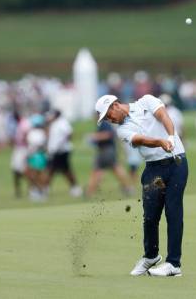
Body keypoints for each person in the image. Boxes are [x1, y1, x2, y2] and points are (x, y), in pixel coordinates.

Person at [95, 93, 187, 278]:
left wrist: (170, 137)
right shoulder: (121, 130)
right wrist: (160, 142)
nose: (109, 120)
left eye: (108, 115)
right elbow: (140, 140)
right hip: (153, 169)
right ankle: (151, 256)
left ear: (115, 105)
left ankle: (173, 264)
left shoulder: (146, 101)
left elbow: (163, 116)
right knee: (150, 216)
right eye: (105, 118)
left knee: (173, 211)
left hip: (176, 163)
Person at [86, 119, 133, 197]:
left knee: (98, 170)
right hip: (107, 150)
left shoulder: (104, 123)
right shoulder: (104, 123)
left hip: (106, 150)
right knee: (115, 169)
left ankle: (89, 192)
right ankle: (128, 188)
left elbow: (108, 134)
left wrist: (94, 137)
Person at [47, 110, 82, 197]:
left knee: (53, 170)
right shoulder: (54, 124)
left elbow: (69, 133)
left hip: (61, 151)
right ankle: (75, 188)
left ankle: (44, 189)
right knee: (63, 170)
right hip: (56, 151)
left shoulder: (62, 122)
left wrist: (61, 144)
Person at [25, 114, 49, 201]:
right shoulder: (41, 132)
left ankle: (40, 191)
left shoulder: (34, 133)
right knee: (37, 174)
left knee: (36, 174)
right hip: (38, 155)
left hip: (36, 155)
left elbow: (36, 145)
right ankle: (39, 191)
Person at [10, 111, 30, 199]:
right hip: (18, 149)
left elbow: (26, 136)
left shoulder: (24, 123)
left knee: (22, 170)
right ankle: (18, 191)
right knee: (16, 170)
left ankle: (33, 187)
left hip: (23, 149)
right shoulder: (19, 124)